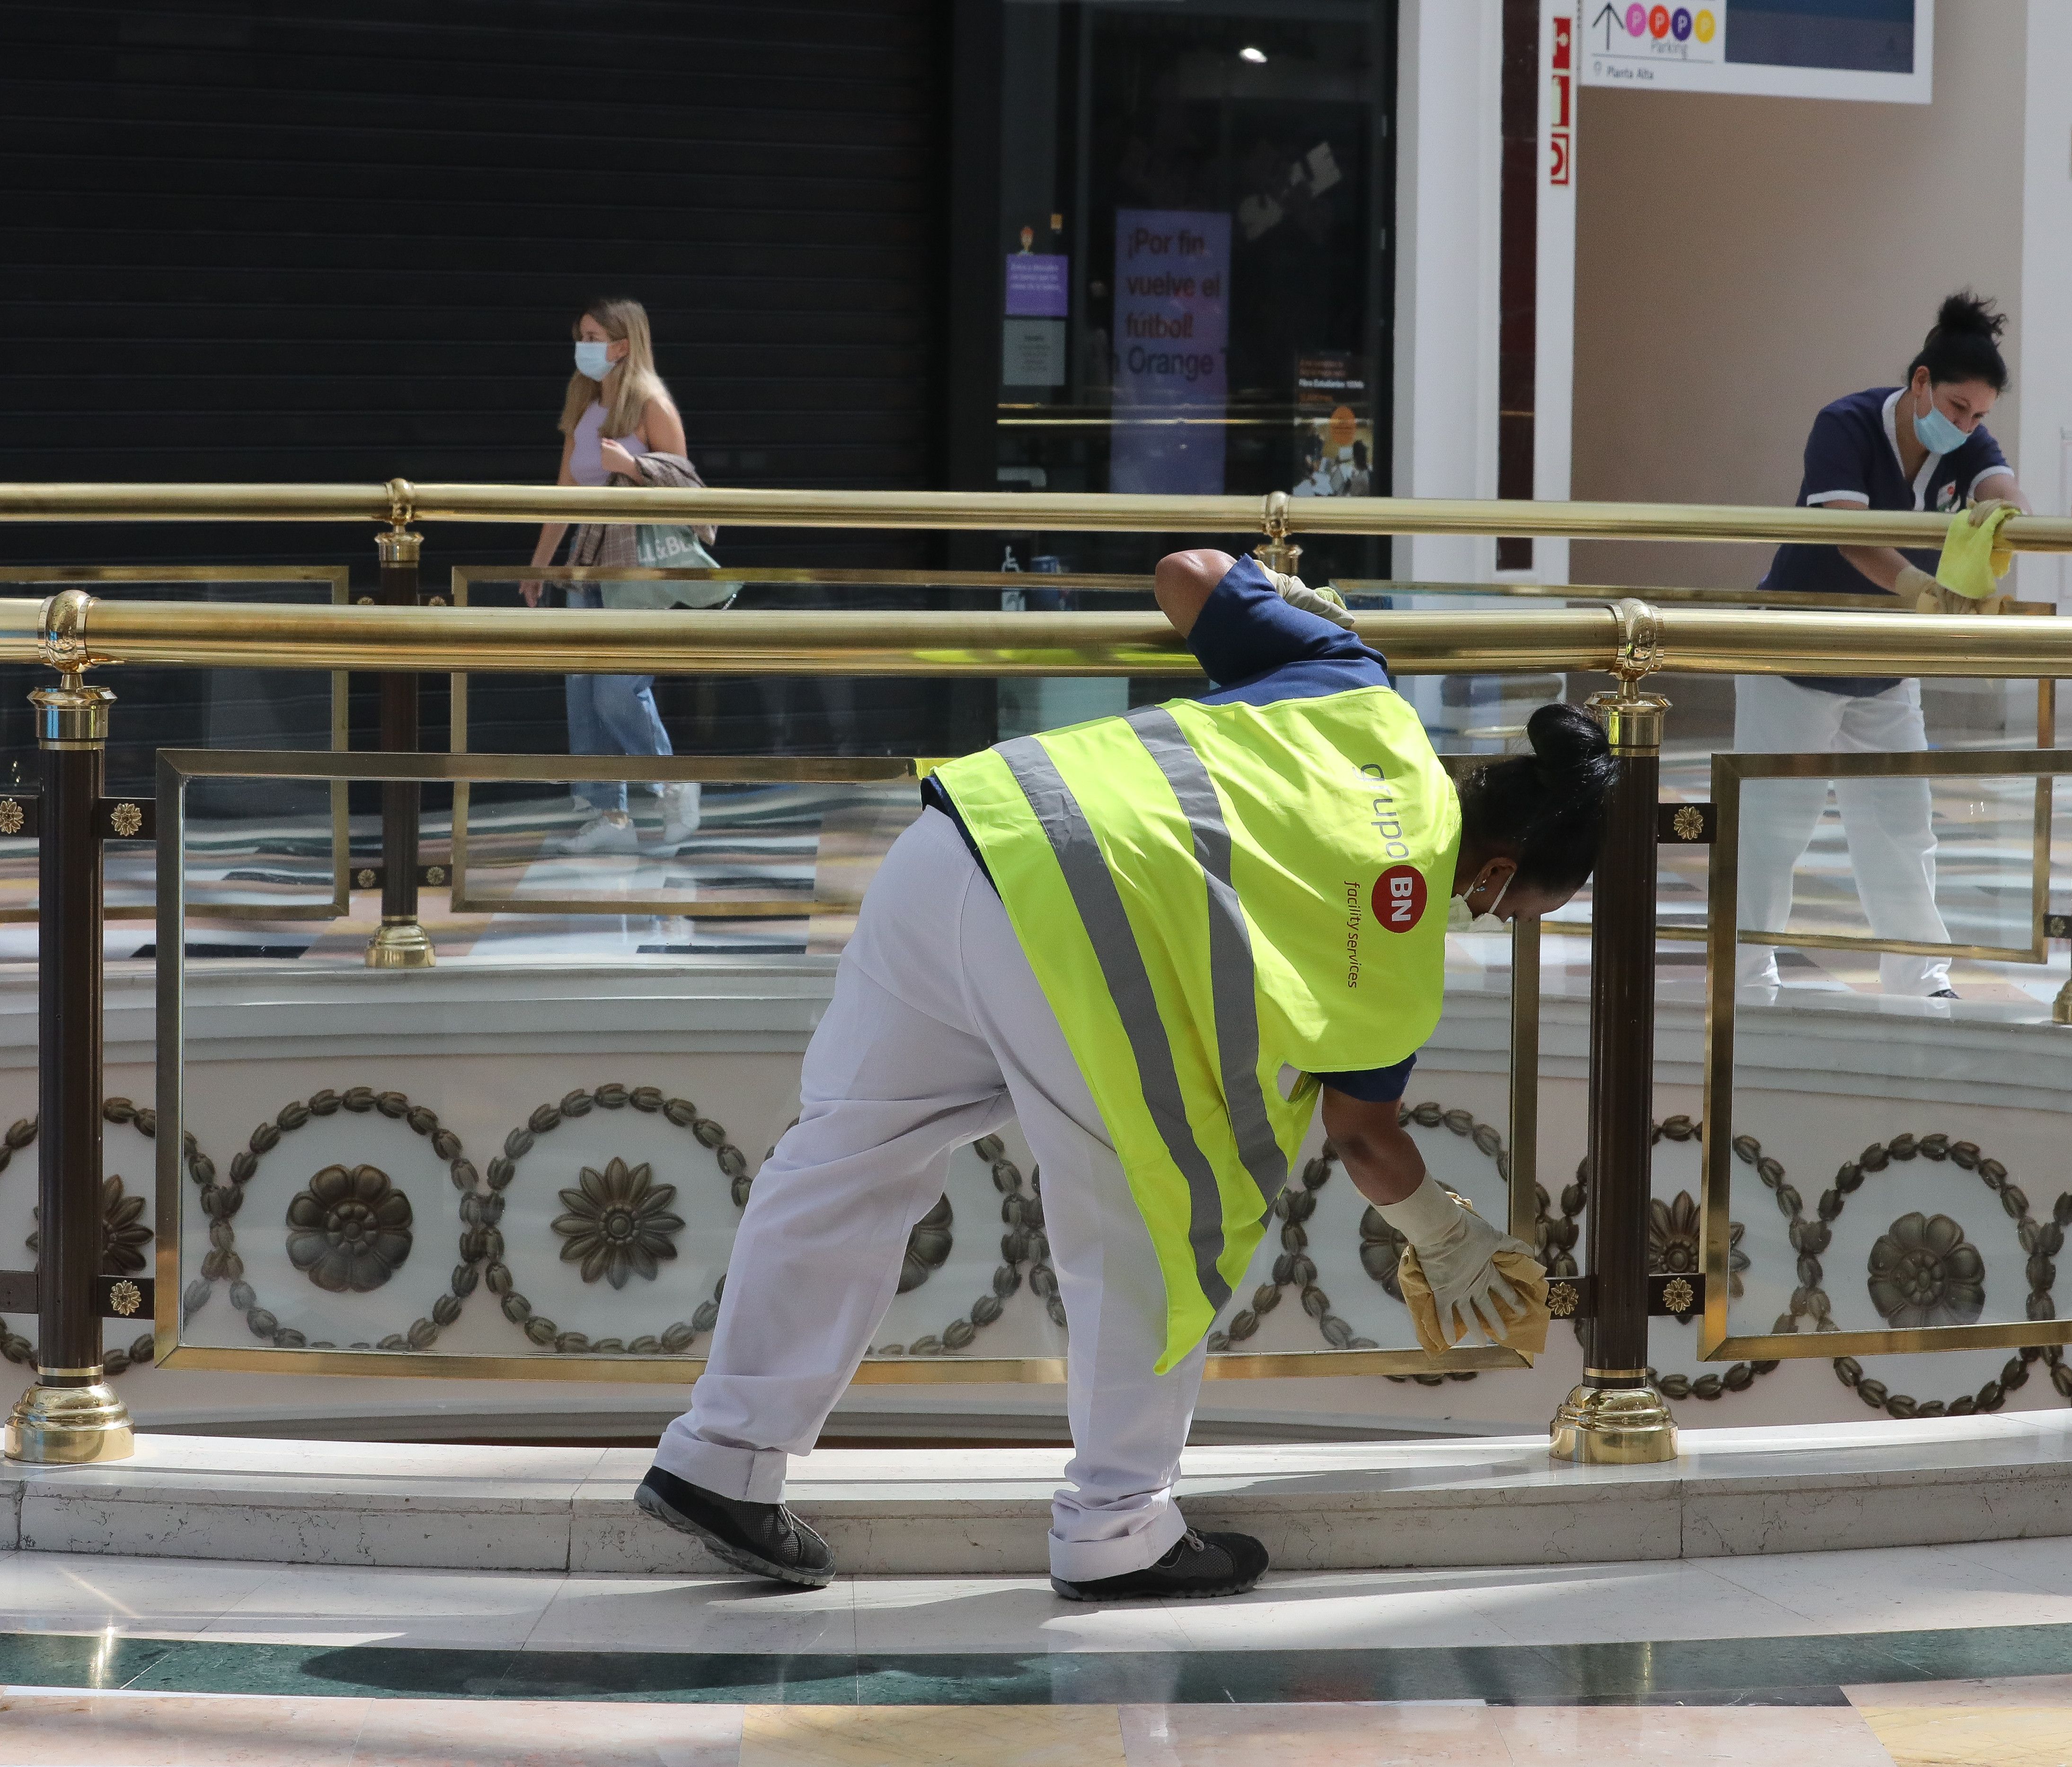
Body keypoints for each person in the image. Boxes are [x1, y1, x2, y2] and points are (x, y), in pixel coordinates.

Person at [636, 549, 1618, 1599]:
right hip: (1078, 948)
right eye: (1508, 910)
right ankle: (1118, 1526)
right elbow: (1363, 1136)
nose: (1485, 919)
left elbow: (1184, 573)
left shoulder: (1355, 687)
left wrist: (1280, 597)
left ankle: (722, 1457)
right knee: (1168, 1212)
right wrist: (1447, 1231)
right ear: (1504, 870)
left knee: (845, 1159)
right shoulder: (1401, 951)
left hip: (967, 842)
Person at [1736, 292, 2028, 999]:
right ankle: (1744, 976)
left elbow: (2003, 494)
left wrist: (2003, 521)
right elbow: (1849, 531)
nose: (1967, 425)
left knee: (1902, 827)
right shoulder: (1845, 424)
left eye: (1981, 415)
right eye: (1958, 408)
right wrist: (1916, 588)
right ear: (1921, 382)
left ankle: (1920, 978)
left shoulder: (1967, 444)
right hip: (1798, 661)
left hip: (1888, 670)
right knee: (1774, 832)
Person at [524, 297, 701, 857]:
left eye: (594, 334)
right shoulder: (585, 404)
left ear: (622, 345)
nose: (585, 344)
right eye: (581, 333)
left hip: (636, 568)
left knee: (617, 692)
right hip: (587, 565)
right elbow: (565, 495)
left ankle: (675, 784)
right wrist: (539, 563)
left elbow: (689, 488)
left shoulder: (651, 403)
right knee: (583, 691)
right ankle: (609, 813)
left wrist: (634, 468)